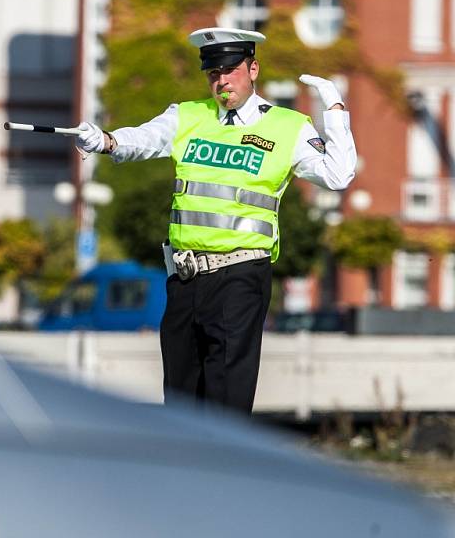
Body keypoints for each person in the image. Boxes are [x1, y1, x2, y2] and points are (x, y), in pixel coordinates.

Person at [75, 27, 356, 415]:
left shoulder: (288, 126)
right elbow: (143, 139)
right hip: (186, 278)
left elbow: (338, 175)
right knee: (180, 398)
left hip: (240, 275)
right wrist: (106, 141)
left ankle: (226, 473)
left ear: (252, 69)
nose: (221, 81)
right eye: (212, 73)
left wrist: (335, 112)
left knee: (226, 401)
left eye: (230, 70)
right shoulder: (188, 115)